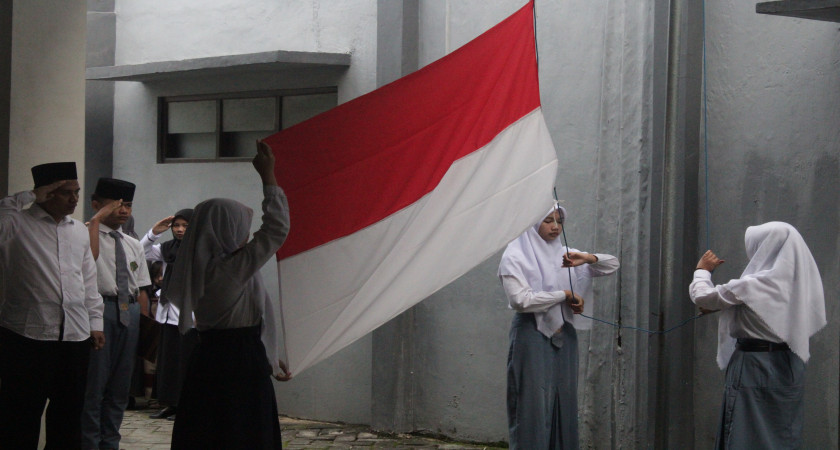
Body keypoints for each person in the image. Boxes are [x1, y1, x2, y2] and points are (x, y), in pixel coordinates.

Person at [167, 141, 292, 449]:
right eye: (239, 227)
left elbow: (253, 310)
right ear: (224, 229)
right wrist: (268, 178)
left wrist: (270, 354)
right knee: (242, 433)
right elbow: (276, 229)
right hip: (238, 363)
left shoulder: (203, 268)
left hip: (211, 358)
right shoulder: (231, 269)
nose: (246, 236)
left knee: (211, 432)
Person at [689, 222, 826, 449]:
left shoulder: (755, 284)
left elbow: (703, 297)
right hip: (789, 364)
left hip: (754, 365)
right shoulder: (799, 284)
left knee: (745, 435)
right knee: (783, 434)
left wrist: (702, 270)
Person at [0, 162, 105, 449]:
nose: (74, 199)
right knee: (19, 418)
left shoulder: (78, 231)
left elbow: (88, 280)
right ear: (46, 194)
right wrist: (28, 196)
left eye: (77, 192)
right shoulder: (16, 224)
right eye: (66, 193)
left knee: (69, 419)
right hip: (26, 336)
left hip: (75, 336)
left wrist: (95, 322)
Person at [498, 204, 619, 449]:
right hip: (532, 333)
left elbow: (612, 265)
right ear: (532, 224)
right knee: (531, 405)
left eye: (559, 221)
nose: (555, 227)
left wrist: (588, 258)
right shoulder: (515, 256)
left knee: (564, 402)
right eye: (548, 221)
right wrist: (563, 295)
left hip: (565, 337)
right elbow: (520, 300)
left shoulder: (565, 255)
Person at [81, 178, 152, 450]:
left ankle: (110, 442)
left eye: (128, 206)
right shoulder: (85, 234)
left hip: (129, 312)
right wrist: (95, 222)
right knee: (94, 386)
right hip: (100, 309)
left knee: (120, 386)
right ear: (97, 205)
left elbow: (140, 287)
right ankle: (88, 443)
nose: (123, 211)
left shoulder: (132, 243)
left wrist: (144, 323)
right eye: (117, 205)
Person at [140, 208, 197, 421]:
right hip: (166, 314)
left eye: (185, 226)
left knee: (185, 363)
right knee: (168, 363)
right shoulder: (167, 248)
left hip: (188, 317)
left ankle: (187, 405)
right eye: (177, 226)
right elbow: (140, 251)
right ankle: (170, 403)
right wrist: (154, 232)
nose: (180, 230)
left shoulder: (199, 249)